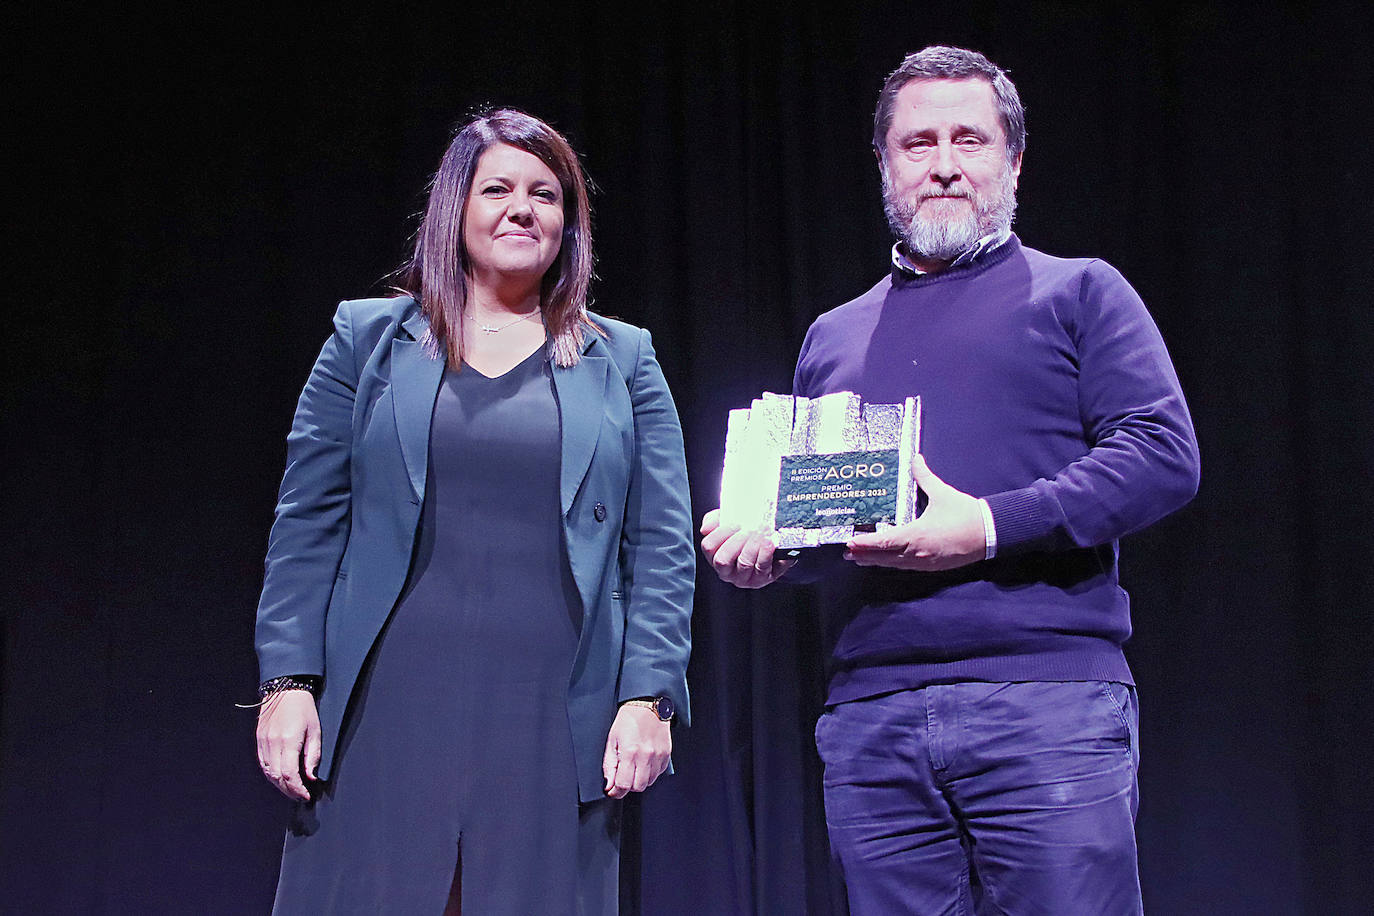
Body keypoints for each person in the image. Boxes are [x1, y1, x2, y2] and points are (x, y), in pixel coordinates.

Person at [700, 47, 1199, 914]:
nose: (942, 164)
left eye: (969, 139)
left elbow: (1162, 453)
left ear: (1012, 160)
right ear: (884, 165)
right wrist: (774, 550)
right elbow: (844, 520)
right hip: (872, 717)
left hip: (1045, 704)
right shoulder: (835, 335)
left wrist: (992, 524)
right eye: (916, 142)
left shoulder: (1080, 291)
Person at [253, 109, 694, 915]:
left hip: (554, 716)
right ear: (456, 209)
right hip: (384, 707)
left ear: (569, 221)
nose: (523, 209)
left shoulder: (624, 358)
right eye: (498, 189)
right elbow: (305, 526)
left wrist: (649, 696)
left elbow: (660, 545)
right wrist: (288, 680)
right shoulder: (365, 339)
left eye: (546, 194)